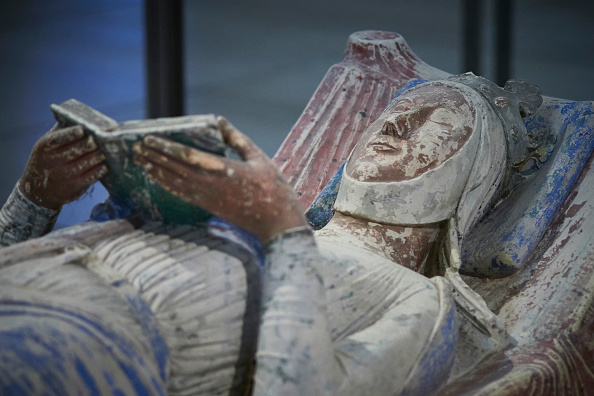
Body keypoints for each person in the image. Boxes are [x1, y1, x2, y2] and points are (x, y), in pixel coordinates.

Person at [0, 73, 541, 395]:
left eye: (435, 119)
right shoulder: (253, 208)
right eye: (394, 112)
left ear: (470, 180)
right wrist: (36, 197)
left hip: (78, 346)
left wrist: (281, 229)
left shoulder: (417, 298)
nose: (395, 125)